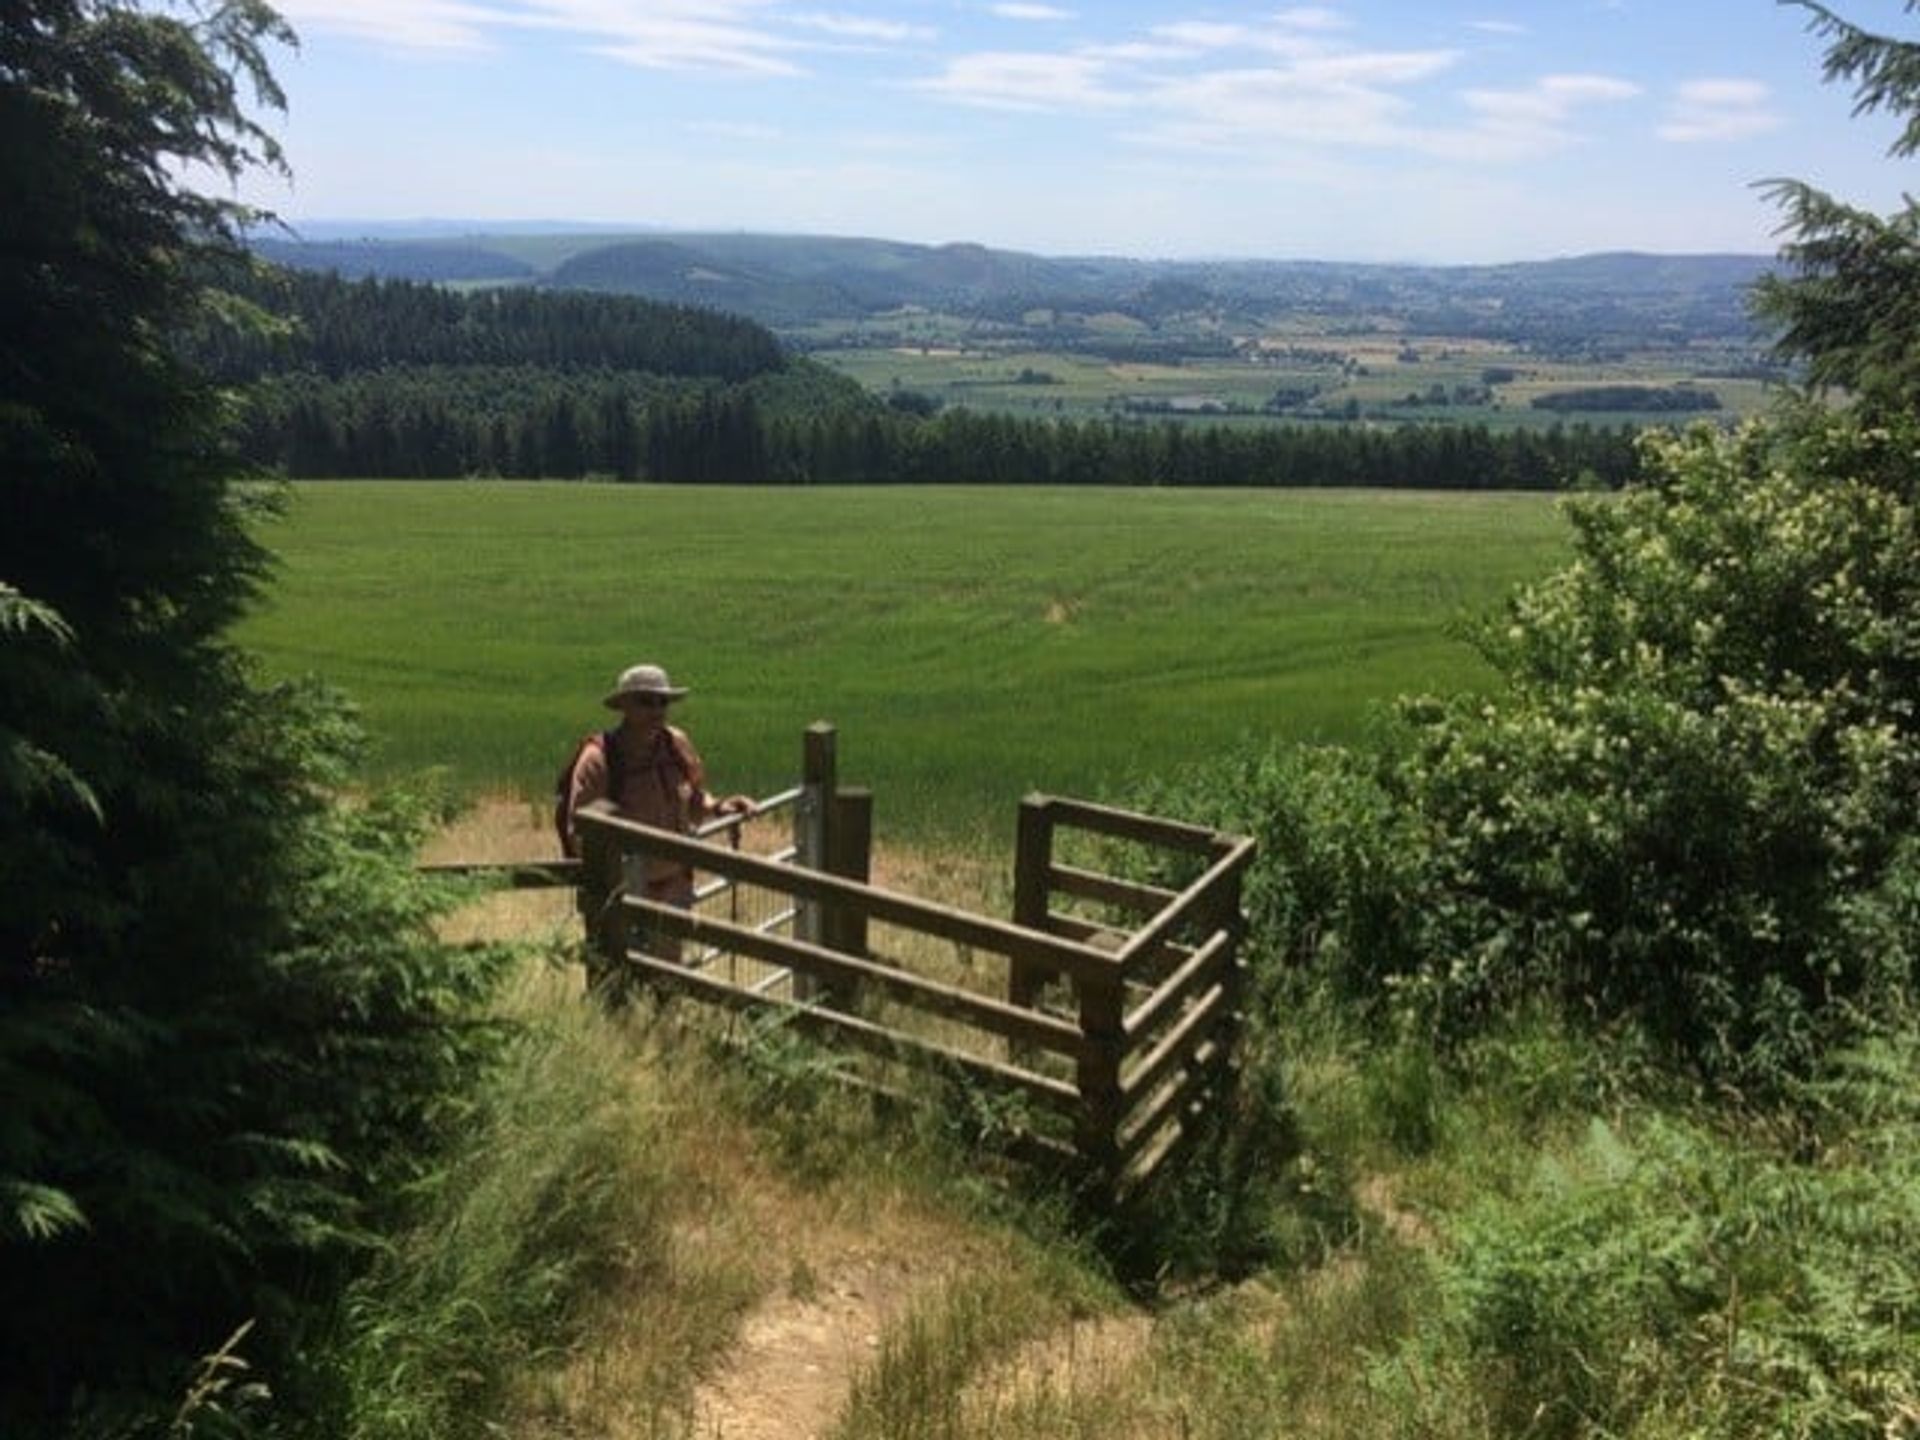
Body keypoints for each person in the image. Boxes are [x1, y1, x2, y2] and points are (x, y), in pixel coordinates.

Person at [565, 663, 755, 963]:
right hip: (624, 897)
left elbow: (694, 797)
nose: (656, 710)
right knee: (623, 978)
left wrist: (720, 807)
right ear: (624, 706)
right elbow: (580, 833)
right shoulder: (598, 760)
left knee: (667, 977)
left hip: (675, 888)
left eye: (662, 702)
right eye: (646, 701)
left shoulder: (676, 745)